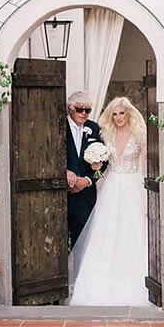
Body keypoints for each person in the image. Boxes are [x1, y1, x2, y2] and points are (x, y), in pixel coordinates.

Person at [70, 97, 149, 306]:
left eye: (122, 113)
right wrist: (96, 164)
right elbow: (101, 163)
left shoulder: (140, 134)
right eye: (114, 114)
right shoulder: (106, 134)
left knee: (133, 230)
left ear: (129, 113)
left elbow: (146, 165)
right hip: (111, 186)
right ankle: (97, 285)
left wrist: (148, 194)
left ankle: (135, 284)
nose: (118, 117)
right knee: (106, 232)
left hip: (133, 185)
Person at [66, 90, 102, 247]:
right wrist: (64, 172)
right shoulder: (58, 126)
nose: (83, 113)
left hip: (86, 196)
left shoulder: (94, 128)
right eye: (79, 109)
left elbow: (104, 160)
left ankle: (81, 272)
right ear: (70, 108)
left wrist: (87, 180)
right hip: (61, 195)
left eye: (87, 110)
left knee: (84, 242)